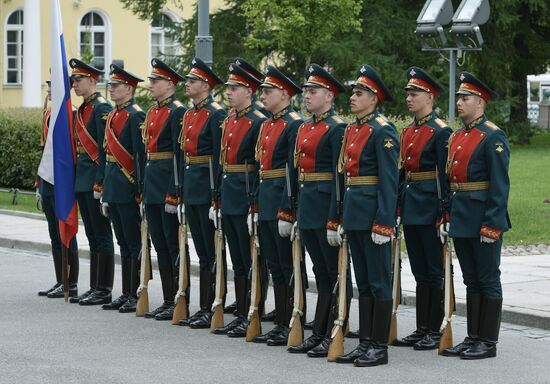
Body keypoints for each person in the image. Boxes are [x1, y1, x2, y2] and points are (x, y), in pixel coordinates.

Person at [441, 72, 510, 360]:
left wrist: (492, 223)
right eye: (458, 97)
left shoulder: (492, 136)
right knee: (471, 279)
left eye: (465, 98)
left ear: (480, 102)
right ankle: (473, 337)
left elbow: (499, 184)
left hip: (483, 217)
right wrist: (447, 215)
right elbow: (451, 181)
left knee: (487, 278)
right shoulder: (458, 135)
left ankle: (488, 342)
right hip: (462, 215)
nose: (459, 102)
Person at [333, 64, 399, 367]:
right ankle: (366, 342)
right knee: (363, 281)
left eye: (359, 94)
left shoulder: (382, 130)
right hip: (356, 213)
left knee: (379, 281)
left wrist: (384, 221)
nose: (353, 98)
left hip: (373, 215)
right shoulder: (354, 128)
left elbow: (388, 181)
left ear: (374, 98)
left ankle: (379, 347)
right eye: (353, 93)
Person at [286, 64, 347, 358]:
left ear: (329, 95)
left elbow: (340, 176)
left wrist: (336, 216)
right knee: (319, 271)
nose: (307, 96)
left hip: (325, 206)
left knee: (332, 272)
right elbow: (297, 171)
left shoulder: (337, 128)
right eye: (306, 91)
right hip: (308, 206)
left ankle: (334, 328)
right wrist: (294, 211)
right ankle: (319, 331)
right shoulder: (305, 127)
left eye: (313, 91)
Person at [394, 67, 452, 350]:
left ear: (429, 96)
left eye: (414, 93)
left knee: (434, 270)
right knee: (419, 270)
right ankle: (422, 327)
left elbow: (445, 176)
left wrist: (445, 213)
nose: (409, 98)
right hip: (412, 204)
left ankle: (436, 327)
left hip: (430, 205)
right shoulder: (408, 131)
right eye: (407, 93)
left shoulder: (440, 132)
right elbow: (402, 173)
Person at [210, 63, 267, 337]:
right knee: (237, 259)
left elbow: (259, 165)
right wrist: (217, 199)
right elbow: (222, 162)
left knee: (251, 257)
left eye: (234, 88)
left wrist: (253, 204)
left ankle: (253, 309)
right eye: (229, 88)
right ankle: (242, 309)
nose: (229, 93)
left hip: (246, 196)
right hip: (229, 193)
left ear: (249, 90)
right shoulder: (230, 120)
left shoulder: (258, 121)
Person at [251, 65, 303, 346]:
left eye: (268, 91)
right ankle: (282, 318)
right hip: (266, 198)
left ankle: (292, 318)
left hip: (282, 199)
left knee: (287, 264)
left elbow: (291, 172)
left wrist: (287, 210)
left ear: (284, 94)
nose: (263, 96)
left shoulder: (293, 123)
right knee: (274, 263)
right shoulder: (267, 123)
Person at [177, 57, 227, 328]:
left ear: (206, 85)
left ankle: (212, 304)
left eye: (193, 81)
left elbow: (220, 158)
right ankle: (204, 305)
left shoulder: (216, 114)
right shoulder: (190, 113)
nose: (188, 84)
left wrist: (215, 196)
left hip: (207, 188)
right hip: (192, 187)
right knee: (200, 251)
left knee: (211, 251)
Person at [142, 58, 186, 320]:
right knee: (159, 245)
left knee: (172, 245)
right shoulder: (153, 112)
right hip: (152, 185)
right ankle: (168, 298)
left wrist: (173, 191)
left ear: (169, 85)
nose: (151, 86)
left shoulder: (176, 112)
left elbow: (178, 156)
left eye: (155, 81)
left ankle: (179, 297)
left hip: (167, 183)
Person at [100, 64, 146, 313]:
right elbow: (108, 156)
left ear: (128, 89)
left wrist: (139, 189)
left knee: (133, 242)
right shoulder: (114, 115)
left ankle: (136, 291)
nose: (112, 89)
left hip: (129, 188)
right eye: (111, 85)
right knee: (123, 243)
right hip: (114, 187)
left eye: (116, 86)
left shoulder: (135, 115)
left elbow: (139, 157)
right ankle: (126, 291)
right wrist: (106, 192)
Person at [69, 59, 115, 306]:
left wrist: (100, 182)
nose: (74, 84)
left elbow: (104, 149)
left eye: (79, 80)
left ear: (92, 80)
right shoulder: (84, 109)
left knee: (102, 233)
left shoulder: (101, 108)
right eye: (74, 81)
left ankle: (104, 288)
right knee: (92, 234)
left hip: (95, 178)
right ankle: (95, 285)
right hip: (82, 178)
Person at [37, 80, 79, 298]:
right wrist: (39, 182)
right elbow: (46, 150)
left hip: (63, 181)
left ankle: (71, 283)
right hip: (48, 179)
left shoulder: (70, 114)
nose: (49, 90)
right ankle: (59, 279)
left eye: (53, 86)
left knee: (66, 231)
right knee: (54, 234)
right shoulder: (49, 113)